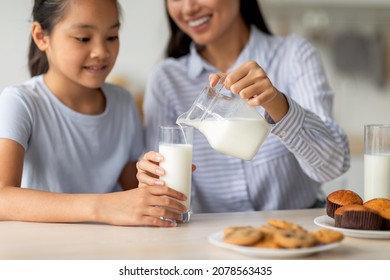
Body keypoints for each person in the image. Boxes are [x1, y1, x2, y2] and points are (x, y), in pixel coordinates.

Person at [136, 0, 351, 213]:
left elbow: (333, 167)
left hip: (296, 234)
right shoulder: (166, 79)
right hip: (210, 239)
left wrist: (277, 103)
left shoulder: (294, 56)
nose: (189, 7)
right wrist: (151, 180)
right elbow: (164, 192)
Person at [0, 0, 187, 227]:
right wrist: (102, 207)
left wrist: (151, 178)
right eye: (83, 38)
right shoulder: (20, 102)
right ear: (41, 37)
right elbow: (3, 198)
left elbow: (132, 190)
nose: (101, 52)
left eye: (112, 36)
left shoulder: (123, 103)